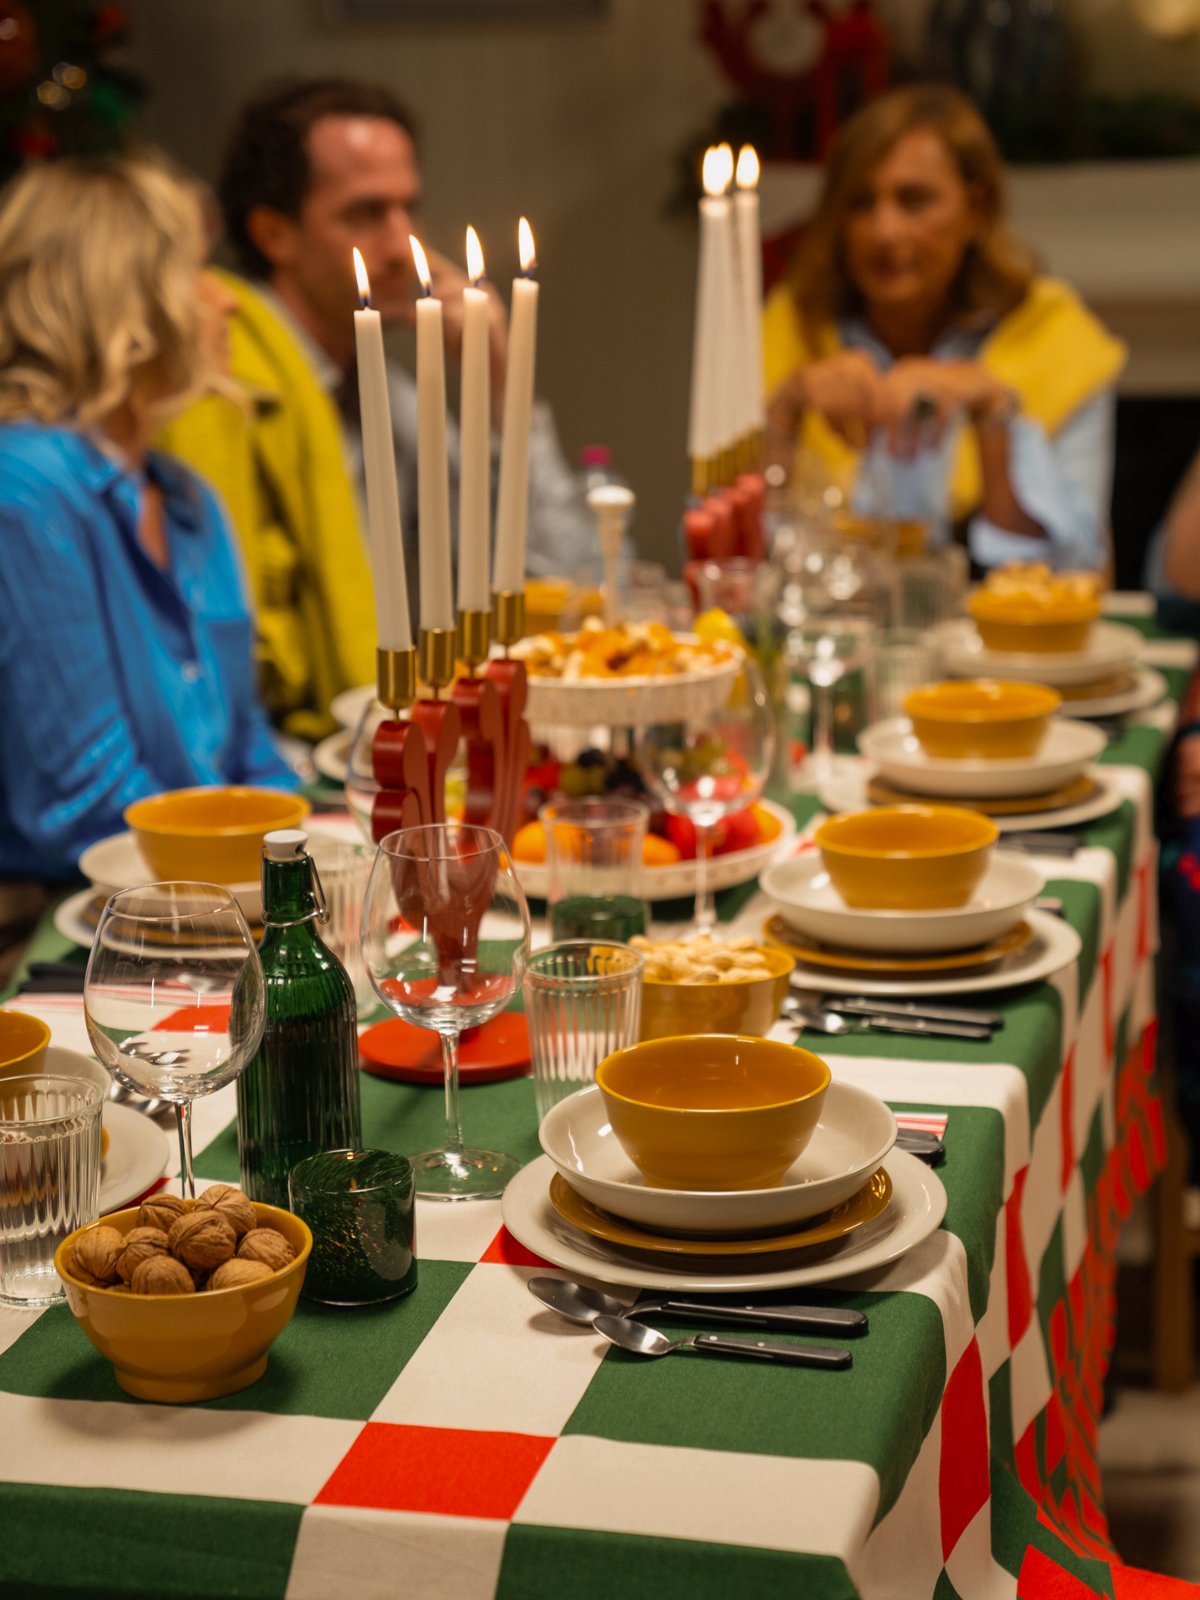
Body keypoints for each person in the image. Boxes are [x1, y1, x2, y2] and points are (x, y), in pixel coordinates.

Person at [159, 77, 595, 740]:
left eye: (408, 209)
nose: (402, 245)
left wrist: (501, 380)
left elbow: (556, 584)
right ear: (274, 234)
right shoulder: (220, 393)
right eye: (365, 214)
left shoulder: (384, 394)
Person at [0, 154, 298, 903]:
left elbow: (250, 754)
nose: (227, 302)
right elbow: (89, 807)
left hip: (205, 899)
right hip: (64, 923)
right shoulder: (23, 488)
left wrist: (311, 849)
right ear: (121, 298)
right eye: (197, 270)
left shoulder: (187, 497)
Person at [763, 84, 1126, 573]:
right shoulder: (791, 327)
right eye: (861, 203)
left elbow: (1074, 568)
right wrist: (786, 410)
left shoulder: (1058, 339)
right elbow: (729, 554)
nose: (885, 231)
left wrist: (993, 411)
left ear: (976, 210)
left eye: (914, 201)